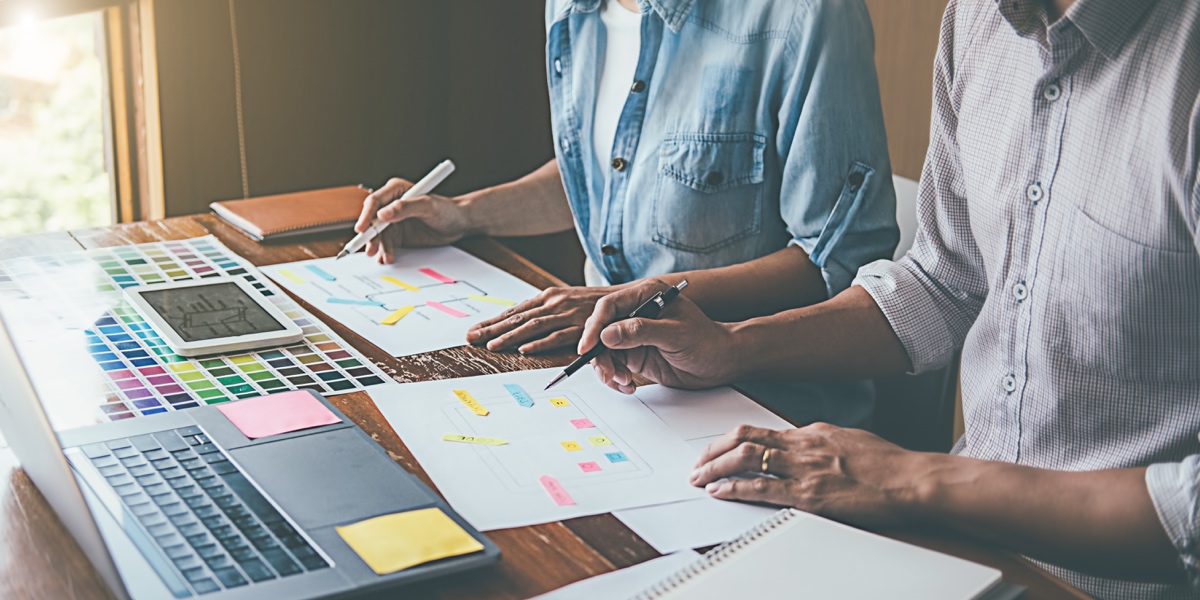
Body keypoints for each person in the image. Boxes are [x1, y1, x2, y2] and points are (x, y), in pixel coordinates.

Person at [576, 0, 1200, 597]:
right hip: (958, 552)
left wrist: (915, 478)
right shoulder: (979, 19)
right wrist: (731, 347)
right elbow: (944, 280)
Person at [353, 0, 898, 426]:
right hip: (611, 383)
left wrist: (641, 301)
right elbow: (608, 177)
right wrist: (464, 213)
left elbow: (836, 264)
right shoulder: (575, 11)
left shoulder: (804, 15)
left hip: (763, 404)